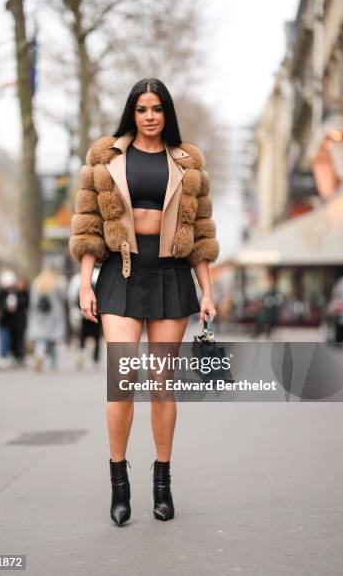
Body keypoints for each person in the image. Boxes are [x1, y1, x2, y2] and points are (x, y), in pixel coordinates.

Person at [69, 78, 219, 525]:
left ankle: (162, 482)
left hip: (172, 275)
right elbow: (90, 227)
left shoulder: (188, 163)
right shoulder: (105, 158)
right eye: (141, 109)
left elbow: (202, 235)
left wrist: (207, 290)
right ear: (131, 113)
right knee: (120, 381)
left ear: (167, 113)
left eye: (156, 108)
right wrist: (85, 282)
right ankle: (119, 484)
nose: (150, 116)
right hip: (122, 274)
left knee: (161, 385)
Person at [27, 265, 66, 372]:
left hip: (39, 315)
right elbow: (63, 298)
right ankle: (53, 363)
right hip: (54, 315)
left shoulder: (36, 282)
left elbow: (32, 301)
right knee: (53, 340)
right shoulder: (56, 283)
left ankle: (39, 355)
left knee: (41, 339)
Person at [67, 268, 102, 367]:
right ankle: (96, 357)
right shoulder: (100, 274)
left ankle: (81, 352)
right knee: (97, 336)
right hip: (97, 312)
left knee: (83, 335)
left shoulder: (78, 278)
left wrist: (75, 309)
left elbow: (72, 295)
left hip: (84, 311)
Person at [0, 269, 18, 368]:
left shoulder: (13, 292)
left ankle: (9, 355)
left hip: (12, 320)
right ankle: (3, 356)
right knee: (4, 339)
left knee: (11, 339)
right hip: (3, 320)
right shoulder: (0, 293)